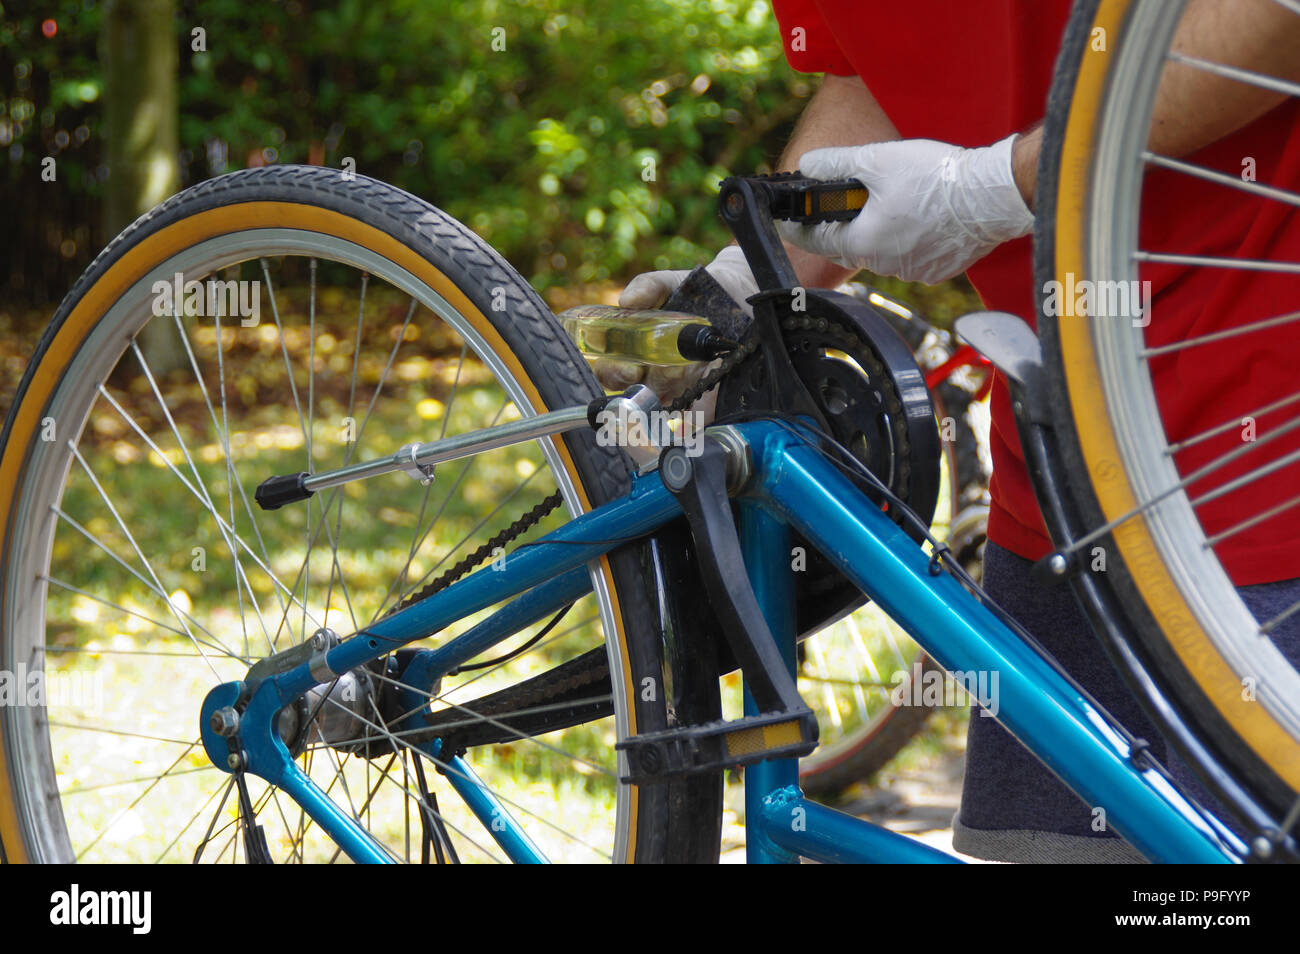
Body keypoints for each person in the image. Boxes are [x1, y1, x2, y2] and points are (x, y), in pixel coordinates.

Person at [614, 0, 1300, 862]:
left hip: (1266, 470)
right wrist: (747, 281)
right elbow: (886, 65)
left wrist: (999, 184)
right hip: (1060, 478)